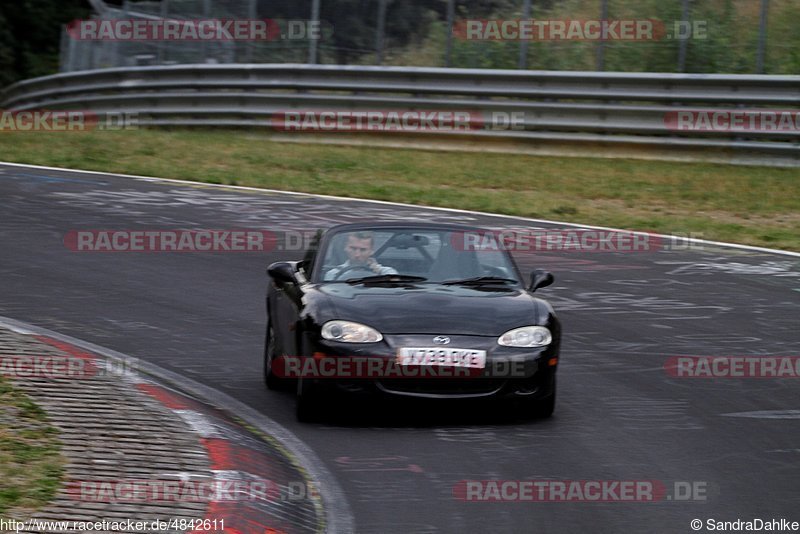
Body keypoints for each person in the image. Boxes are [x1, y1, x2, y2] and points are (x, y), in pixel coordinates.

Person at [324, 231, 397, 280]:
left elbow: (395, 289)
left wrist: (380, 276)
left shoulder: (387, 273)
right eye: (353, 248)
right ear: (345, 247)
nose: (357, 255)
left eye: (363, 250)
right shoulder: (333, 275)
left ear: (371, 251)